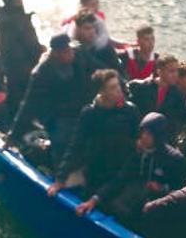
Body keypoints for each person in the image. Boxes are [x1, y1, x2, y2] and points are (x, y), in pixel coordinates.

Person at [47, 69, 140, 197]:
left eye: (118, 85)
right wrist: (61, 178)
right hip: (96, 169)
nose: (119, 89)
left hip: (120, 170)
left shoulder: (130, 111)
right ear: (102, 91)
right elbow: (76, 145)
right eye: (112, 87)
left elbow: (137, 141)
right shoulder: (90, 113)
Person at [76, 112, 186, 219]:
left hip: (156, 210)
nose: (144, 137)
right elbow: (120, 178)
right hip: (131, 204)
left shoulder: (174, 159)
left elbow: (181, 191)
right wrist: (94, 200)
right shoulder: (138, 154)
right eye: (143, 132)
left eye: (149, 134)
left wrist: (163, 188)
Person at [10, 33, 91, 167]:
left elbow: (99, 67)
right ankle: (59, 171)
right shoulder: (42, 73)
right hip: (57, 114)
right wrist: (13, 135)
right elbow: (28, 104)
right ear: (56, 54)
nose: (71, 53)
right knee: (62, 139)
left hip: (80, 106)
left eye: (70, 49)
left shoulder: (79, 55)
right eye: (66, 51)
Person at [0, 0, 44, 115]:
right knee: (26, 95)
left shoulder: (2, 17)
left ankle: (10, 116)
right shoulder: (20, 20)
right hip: (24, 65)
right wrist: (41, 52)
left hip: (10, 64)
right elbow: (30, 44)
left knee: (14, 94)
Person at [128, 54, 186, 134]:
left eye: (176, 70)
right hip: (138, 132)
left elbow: (182, 119)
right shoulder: (142, 87)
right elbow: (131, 112)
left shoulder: (178, 95)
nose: (175, 75)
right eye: (171, 71)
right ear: (159, 71)